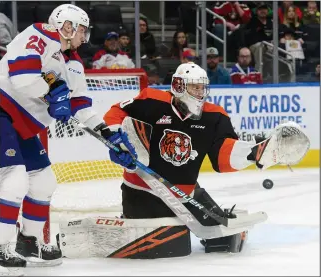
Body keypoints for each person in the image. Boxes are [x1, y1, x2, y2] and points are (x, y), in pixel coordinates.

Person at [0, 4, 136, 275]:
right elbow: (22, 77)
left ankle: (30, 241)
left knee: (44, 180)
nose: (84, 35)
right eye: (81, 29)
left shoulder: (72, 62)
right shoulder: (38, 35)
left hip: (23, 126)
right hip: (1, 111)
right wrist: (53, 90)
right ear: (66, 25)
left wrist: (108, 135)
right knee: (13, 180)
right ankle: (2, 247)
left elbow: (80, 105)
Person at [102, 62, 272, 255]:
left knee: (226, 242)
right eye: (194, 86)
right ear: (178, 85)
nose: (200, 92)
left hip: (185, 193)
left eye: (202, 87)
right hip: (142, 189)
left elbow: (222, 157)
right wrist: (117, 142)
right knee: (166, 248)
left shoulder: (215, 116)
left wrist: (252, 154)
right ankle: (131, 218)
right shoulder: (152, 99)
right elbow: (116, 112)